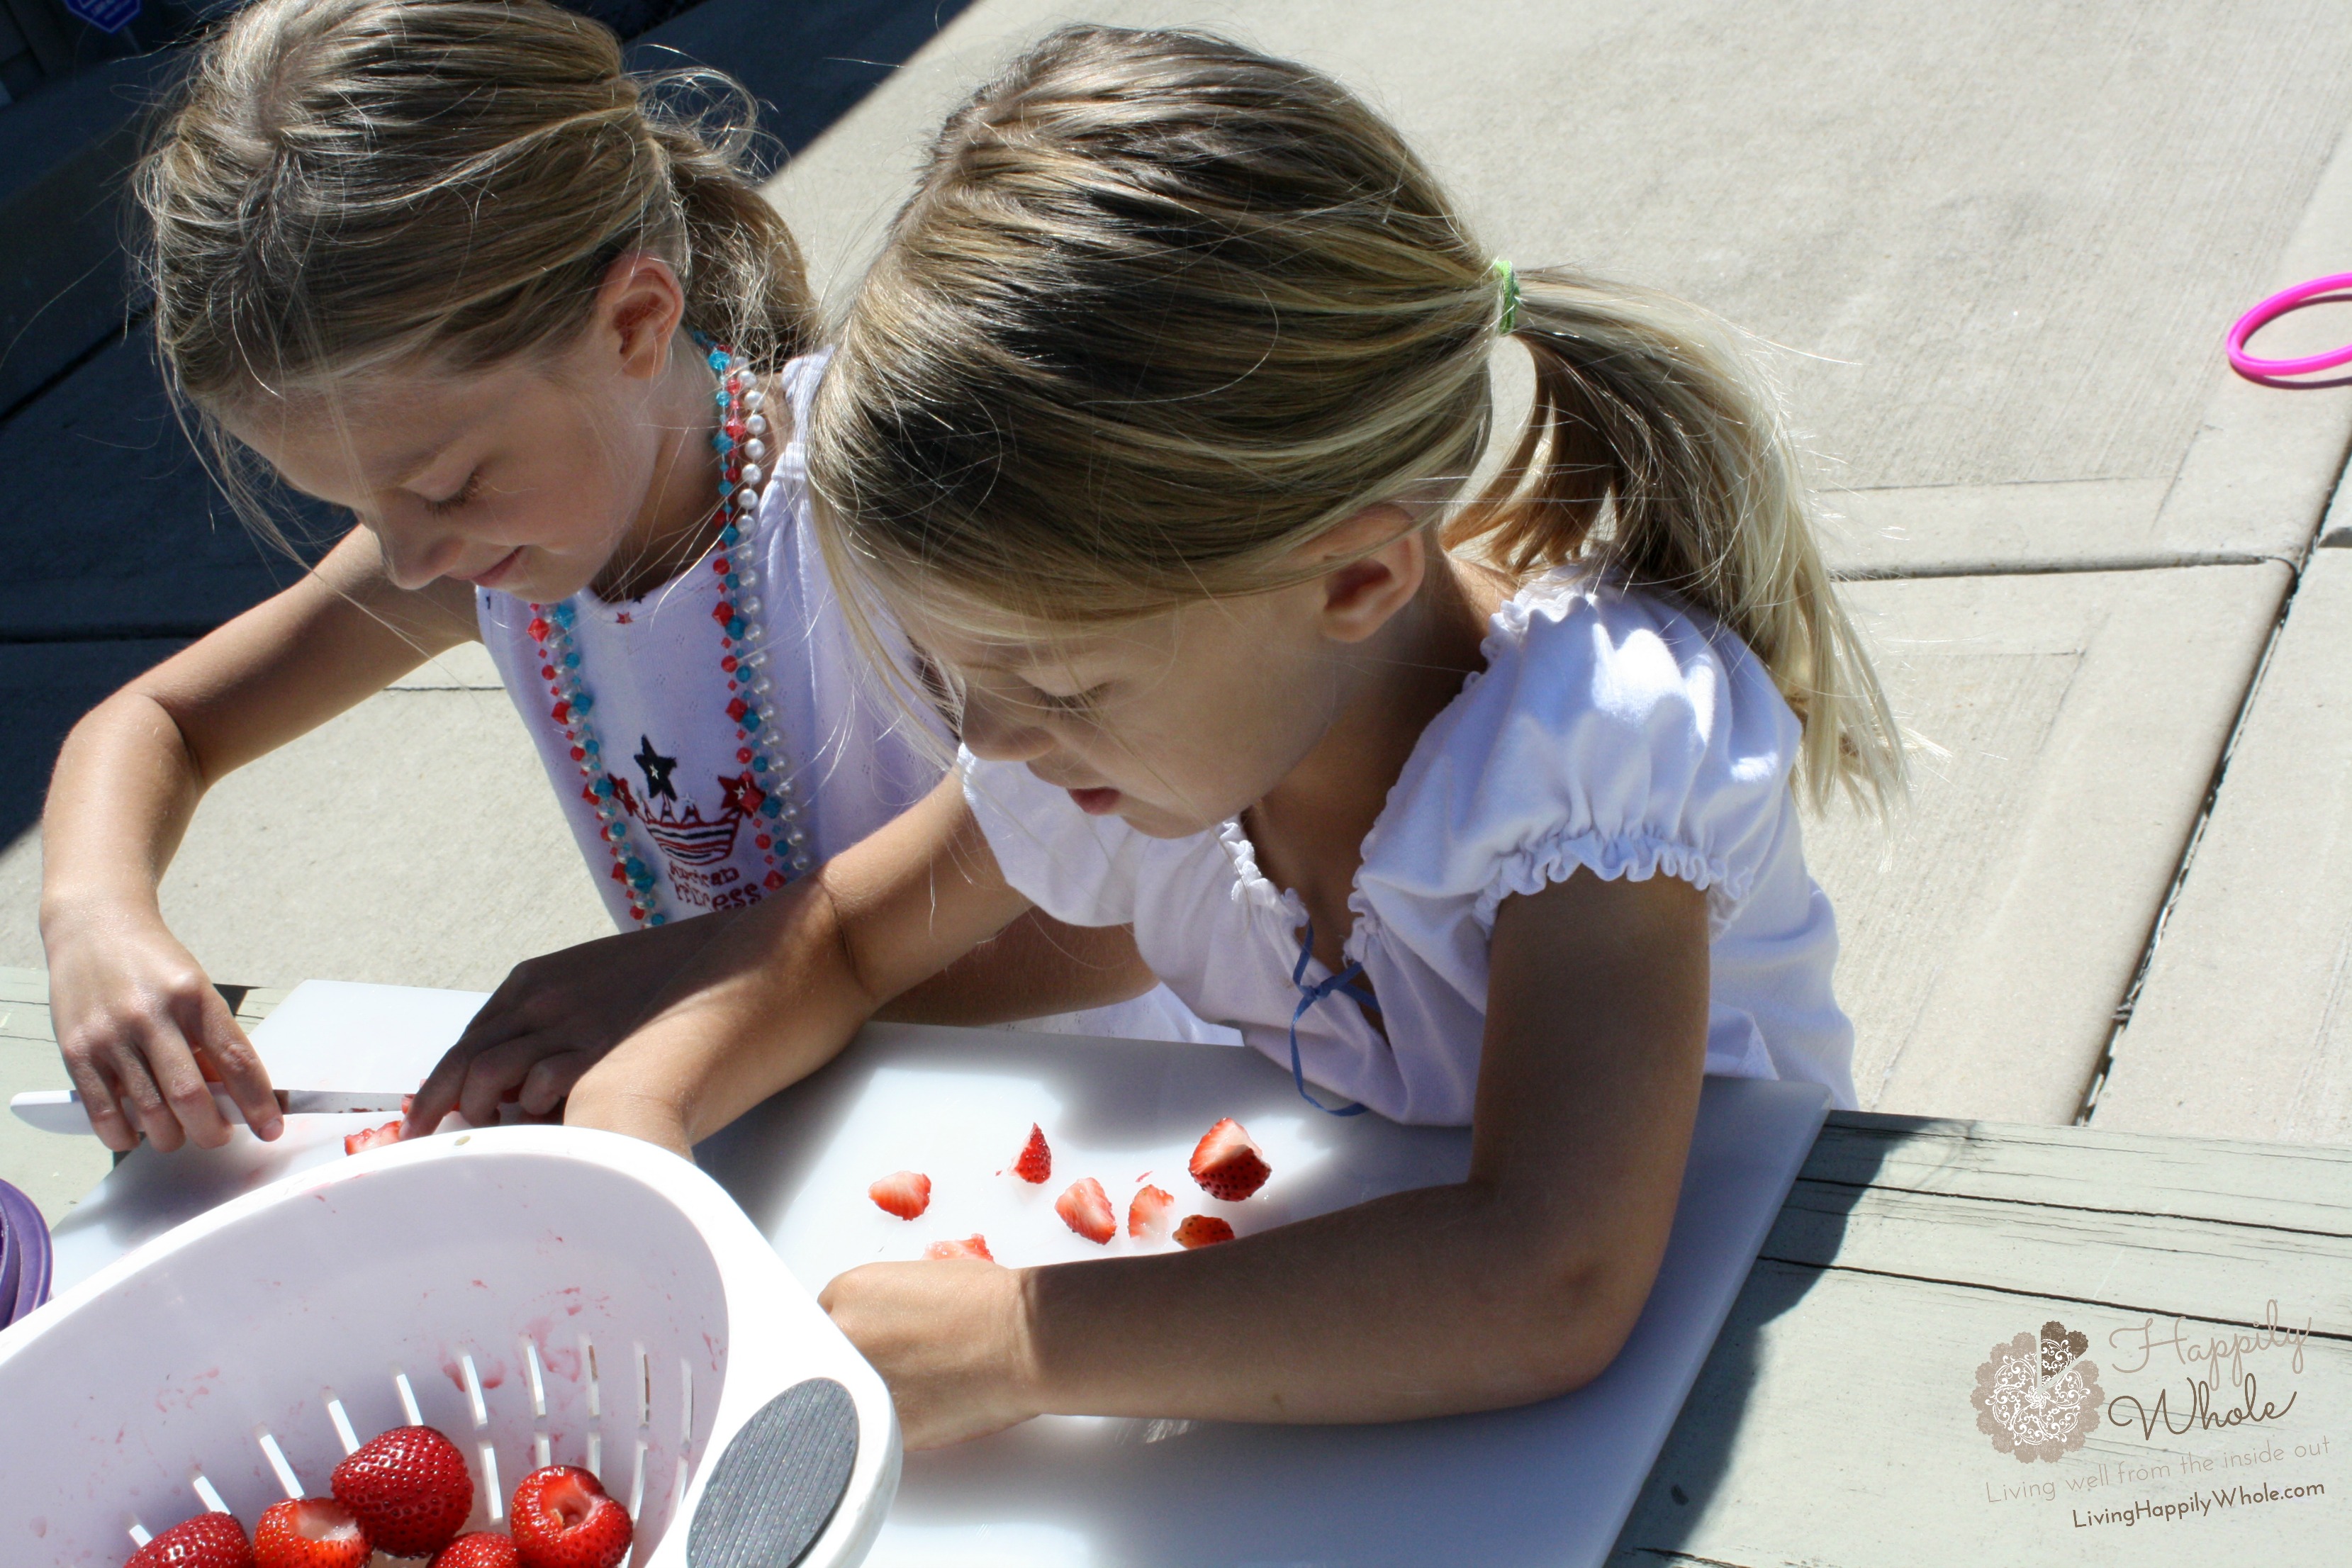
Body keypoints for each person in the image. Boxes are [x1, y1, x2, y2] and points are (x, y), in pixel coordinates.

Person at [565, 26, 1906, 1446]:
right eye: (959, 679)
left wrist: (1020, 1338)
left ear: (1353, 577)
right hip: (1426, 1403)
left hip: (1733, 1387)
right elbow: (838, 940)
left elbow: (1548, 1272)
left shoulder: (1590, 756)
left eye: (1059, 685)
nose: (997, 742)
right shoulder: (1123, 743)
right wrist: (636, 1110)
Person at [36, 0, 1217, 1158]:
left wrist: (705, 992)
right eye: (351, 508)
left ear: (636, 322)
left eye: (447, 485)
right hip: (766, 1135)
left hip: (1093, 1136)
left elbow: (1117, 924)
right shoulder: (472, 566)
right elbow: (157, 722)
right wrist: (93, 913)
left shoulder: (891, 512)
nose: (402, 559)